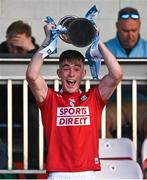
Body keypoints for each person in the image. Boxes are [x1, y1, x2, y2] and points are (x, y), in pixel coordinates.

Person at [26, 22, 122, 180]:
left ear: (83, 73)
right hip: (58, 173)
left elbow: (117, 74)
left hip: (88, 172)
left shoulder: (93, 98)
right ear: (59, 73)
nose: (71, 73)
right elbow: (32, 75)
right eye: (66, 68)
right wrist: (47, 41)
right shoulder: (50, 99)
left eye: (76, 68)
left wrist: (97, 40)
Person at [0, 20, 40, 178]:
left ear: (29, 40)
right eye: (12, 46)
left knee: (35, 121)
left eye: (20, 46)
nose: (15, 51)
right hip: (3, 104)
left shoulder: (39, 52)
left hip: (29, 105)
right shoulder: (1, 50)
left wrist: (30, 50)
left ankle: (32, 175)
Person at [104, 7, 147, 141]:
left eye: (134, 30)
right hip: (112, 104)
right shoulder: (104, 49)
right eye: (125, 30)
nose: (130, 35)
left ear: (140, 25)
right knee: (97, 122)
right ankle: (110, 158)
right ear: (117, 26)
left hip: (142, 104)